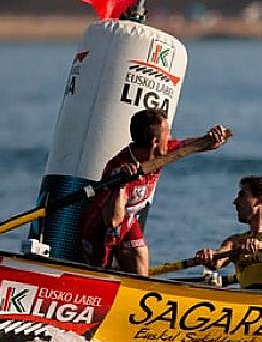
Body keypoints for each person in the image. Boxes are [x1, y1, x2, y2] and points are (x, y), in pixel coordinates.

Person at [78, 108, 230, 274]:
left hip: (129, 221)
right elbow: (113, 220)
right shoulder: (118, 167)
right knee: (100, 275)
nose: (171, 137)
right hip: (100, 228)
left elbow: (193, 146)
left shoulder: (162, 152)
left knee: (140, 258)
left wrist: (215, 138)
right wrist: (121, 185)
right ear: (154, 142)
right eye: (168, 133)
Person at [195, 176, 262, 291]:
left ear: (261, 200)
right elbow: (217, 261)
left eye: (242, 195)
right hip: (247, 300)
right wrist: (208, 256)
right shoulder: (236, 241)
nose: (235, 201)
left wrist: (261, 246)